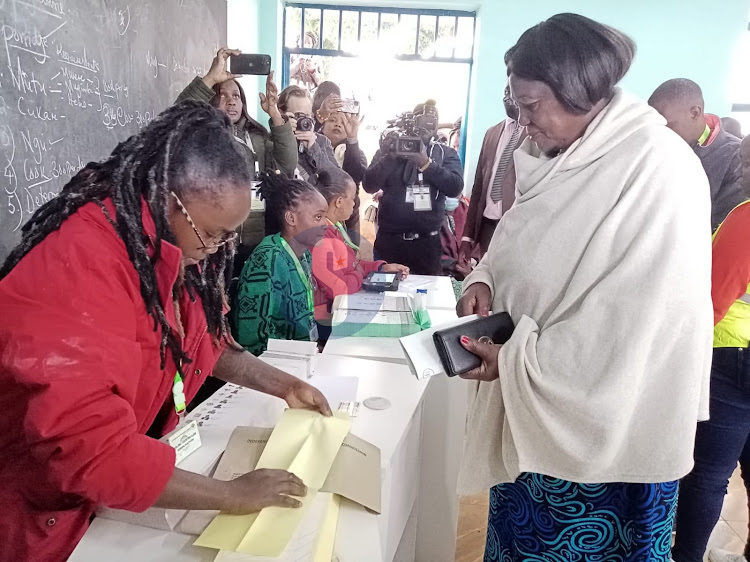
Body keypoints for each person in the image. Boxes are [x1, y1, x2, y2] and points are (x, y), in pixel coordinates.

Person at [0, 102, 331, 561]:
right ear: (171, 200)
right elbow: (93, 454)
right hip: (38, 520)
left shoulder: (168, 240)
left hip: (96, 506)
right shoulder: (77, 270)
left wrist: (285, 384)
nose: (219, 249)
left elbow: (203, 341)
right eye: (214, 234)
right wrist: (232, 494)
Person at [455, 14, 712, 561]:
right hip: (535, 408)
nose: (523, 124)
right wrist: (484, 279)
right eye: (516, 106)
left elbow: (636, 318)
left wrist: (517, 360)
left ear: (580, 92)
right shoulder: (560, 157)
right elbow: (516, 247)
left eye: (531, 106)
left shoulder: (660, 168)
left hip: (607, 424)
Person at [672, 136, 750, 562]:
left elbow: (713, 301)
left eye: (749, 163)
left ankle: (685, 557)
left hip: (731, 359)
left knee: (708, 475)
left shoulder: (747, 218)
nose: (741, 173)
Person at [176, 47, 297, 266]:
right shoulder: (202, 135)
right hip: (215, 240)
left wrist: (275, 114)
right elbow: (178, 115)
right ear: (211, 101)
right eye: (222, 96)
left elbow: (287, 163)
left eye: (236, 97)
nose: (231, 102)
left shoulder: (257, 137)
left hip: (256, 237)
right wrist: (211, 78)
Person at [363, 100, 464, 275]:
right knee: (386, 298)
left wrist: (426, 164)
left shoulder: (444, 153)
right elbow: (369, 185)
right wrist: (391, 156)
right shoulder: (390, 150)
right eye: (424, 121)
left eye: (432, 122)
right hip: (389, 243)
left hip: (427, 246)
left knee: (426, 299)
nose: (427, 127)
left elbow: (455, 188)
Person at [235, 173, 329, 356]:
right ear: (291, 219)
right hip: (278, 366)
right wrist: (302, 355)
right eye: (318, 217)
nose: (326, 224)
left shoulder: (303, 255)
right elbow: (254, 340)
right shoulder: (267, 260)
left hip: (305, 355)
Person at [311, 167, 409, 333]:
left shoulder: (335, 229)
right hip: (325, 319)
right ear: (339, 202)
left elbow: (350, 265)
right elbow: (339, 288)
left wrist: (380, 268)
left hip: (338, 309)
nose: (355, 203)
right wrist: (361, 275)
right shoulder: (321, 238)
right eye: (353, 197)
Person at [649, 78, 745, 230]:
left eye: (667, 125)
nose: (659, 134)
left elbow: (723, 226)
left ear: (695, 112)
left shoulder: (736, 157)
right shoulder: (657, 150)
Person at [460, 85, 526, 264]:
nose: (510, 98)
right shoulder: (492, 133)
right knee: (486, 283)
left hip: (517, 229)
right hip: (487, 227)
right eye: (507, 93)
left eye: (515, 94)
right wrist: (468, 237)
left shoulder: (535, 135)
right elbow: (478, 188)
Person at [278, 85, 341, 187]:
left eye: (308, 116)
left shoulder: (321, 142)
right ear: (282, 114)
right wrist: (283, 133)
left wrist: (313, 148)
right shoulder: (272, 142)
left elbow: (338, 180)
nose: (304, 121)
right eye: (298, 116)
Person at [321, 110, 367, 246]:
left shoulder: (356, 151)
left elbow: (357, 176)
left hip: (348, 218)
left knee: (348, 258)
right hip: (319, 216)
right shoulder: (313, 148)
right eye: (332, 120)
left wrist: (352, 140)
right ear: (322, 126)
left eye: (343, 122)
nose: (338, 125)